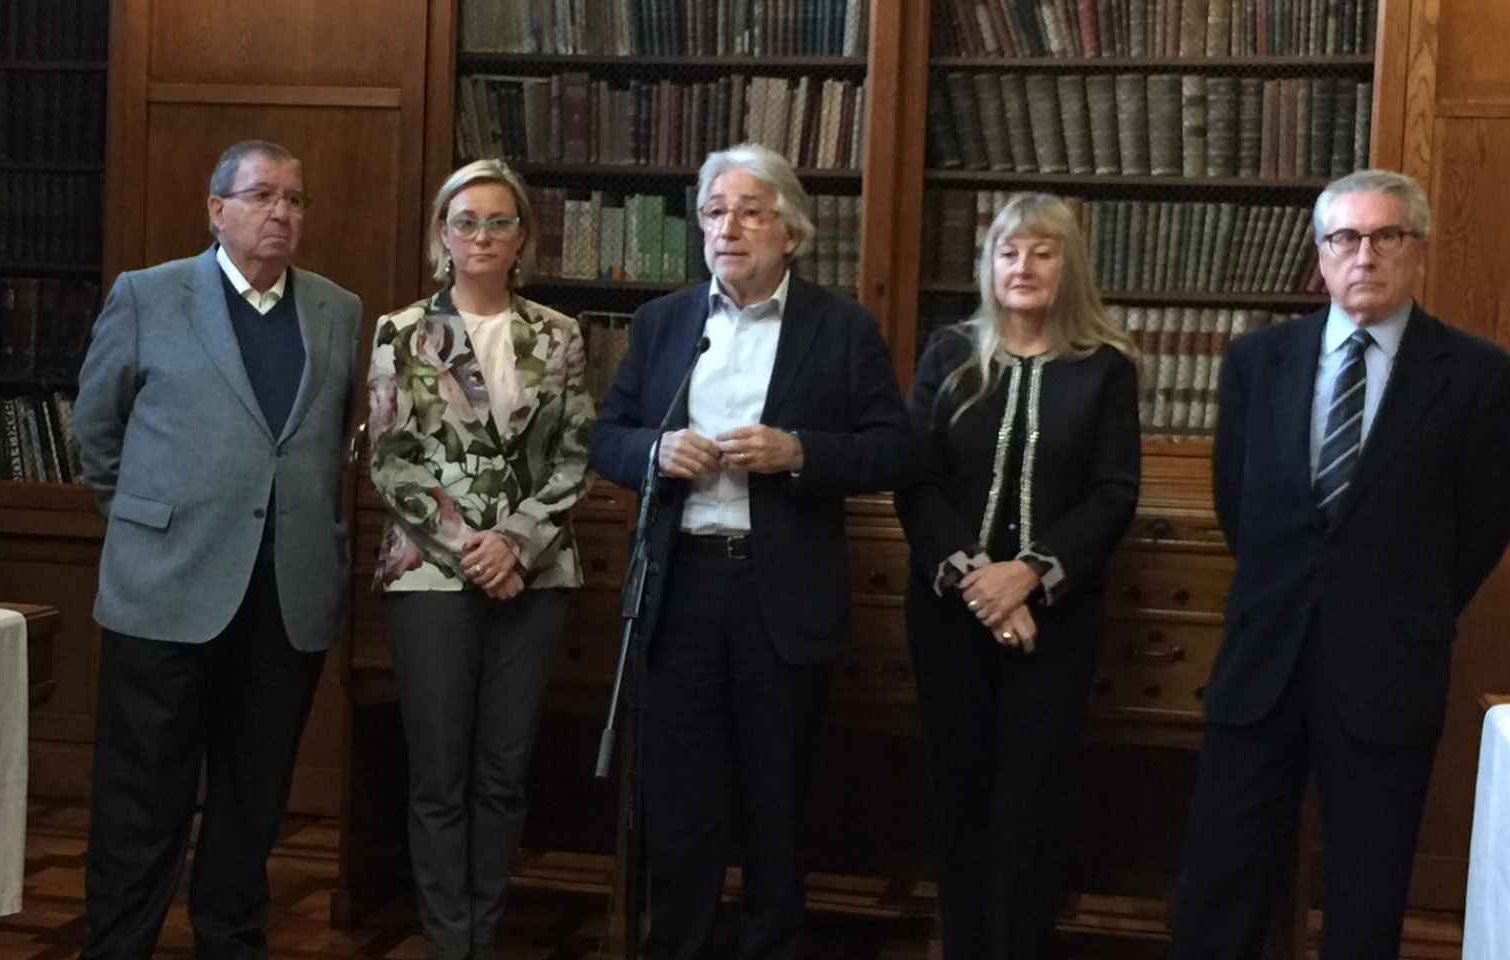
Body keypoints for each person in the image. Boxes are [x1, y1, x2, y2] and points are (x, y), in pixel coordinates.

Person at [1168, 169, 1510, 959]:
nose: (1364, 255)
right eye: (1344, 238)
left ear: (1417, 251)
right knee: (1221, 882)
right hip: (1262, 665)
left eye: (1385, 236)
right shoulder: (1258, 362)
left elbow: (1482, 527)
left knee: (1366, 893)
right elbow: (1238, 503)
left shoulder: (1478, 378)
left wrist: (1397, 601)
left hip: (1388, 669)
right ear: (1319, 256)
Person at [589, 143, 910, 960]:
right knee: (680, 799)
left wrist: (799, 452)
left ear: (791, 232)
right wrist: (657, 455)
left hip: (783, 594)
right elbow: (609, 436)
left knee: (777, 796)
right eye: (713, 212)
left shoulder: (840, 328)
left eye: (749, 211)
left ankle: (772, 944)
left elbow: (892, 449)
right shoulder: (666, 322)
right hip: (681, 588)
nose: (727, 228)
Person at [72, 139, 362, 958]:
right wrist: (149, 516)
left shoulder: (337, 310)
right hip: (165, 589)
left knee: (253, 797)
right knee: (141, 800)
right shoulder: (149, 296)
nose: (282, 213)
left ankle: (230, 943)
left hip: (286, 598)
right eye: (264, 195)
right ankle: (118, 945)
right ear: (217, 209)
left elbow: (331, 438)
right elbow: (97, 429)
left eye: (296, 200)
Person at [895, 193, 1141, 960]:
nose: (1023, 267)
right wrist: (981, 583)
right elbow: (915, 480)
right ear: (988, 266)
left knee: (1032, 804)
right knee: (958, 793)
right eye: (1008, 252)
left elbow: (1114, 492)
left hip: (1056, 621)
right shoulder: (948, 354)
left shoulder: (1106, 368)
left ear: (1069, 267)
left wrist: (1028, 577)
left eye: (1042, 251)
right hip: (948, 613)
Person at [365, 158, 595, 960]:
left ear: (523, 236)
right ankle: (447, 941)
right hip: (432, 573)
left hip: (534, 576)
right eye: (467, 222)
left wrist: (516, 545)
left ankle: (484, 934)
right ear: (442, 235)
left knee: (504, 770)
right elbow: (392, 460)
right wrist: (472, 545)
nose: (483, 235)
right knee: (438, 775)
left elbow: (576, 456)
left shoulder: (560, 334)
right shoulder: (399, 333)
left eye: (500, 221)